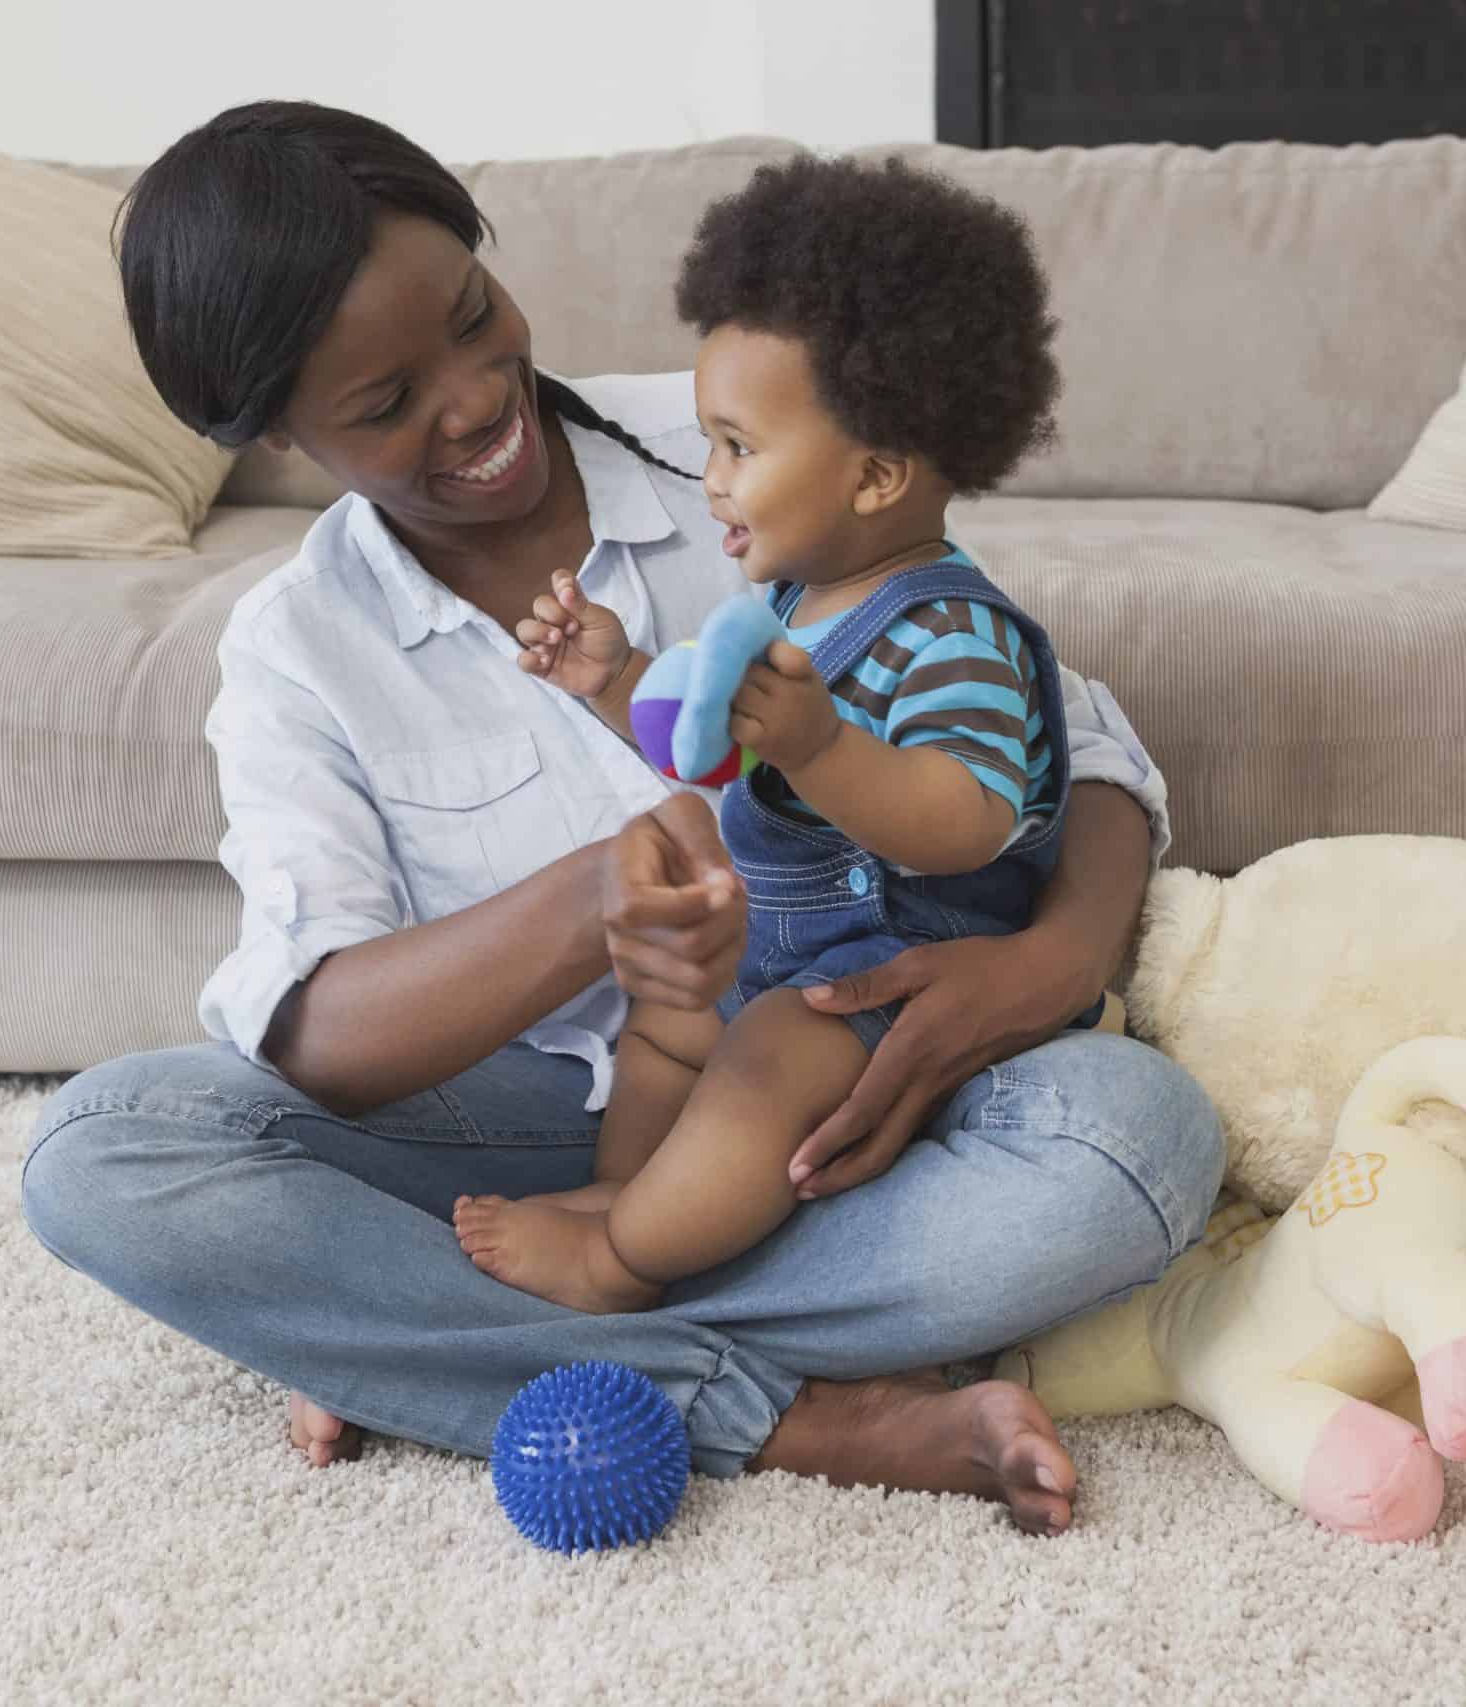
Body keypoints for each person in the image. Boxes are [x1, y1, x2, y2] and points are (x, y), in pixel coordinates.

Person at [17, 101, 1222, 1536]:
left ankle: (430, 1333)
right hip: (527, 1127)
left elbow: (1065, 733)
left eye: (474, 317)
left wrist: (1050, 960)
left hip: (837, 1081)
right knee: (106, 1149)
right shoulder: (296, 647)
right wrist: (595, 898)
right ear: (275, 434)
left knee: (1130, 1146)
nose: (473, 398)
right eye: (388, 402)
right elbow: (321, 1034)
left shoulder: (743, 432)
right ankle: (780, 1405)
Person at [454, 156, 1106, 1320]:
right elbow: (702, 747)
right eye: (709, 444)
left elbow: (967, 821)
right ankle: (629, 1199)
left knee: (758, 1065)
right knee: (661, 1022)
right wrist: (612, 678)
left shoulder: (951, 630)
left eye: (737, 448)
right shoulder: (792, 604)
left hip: (885, 978)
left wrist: (821, 750)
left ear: (877, 477)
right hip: (782, 948)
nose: (708, 481)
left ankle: (623, 1268)